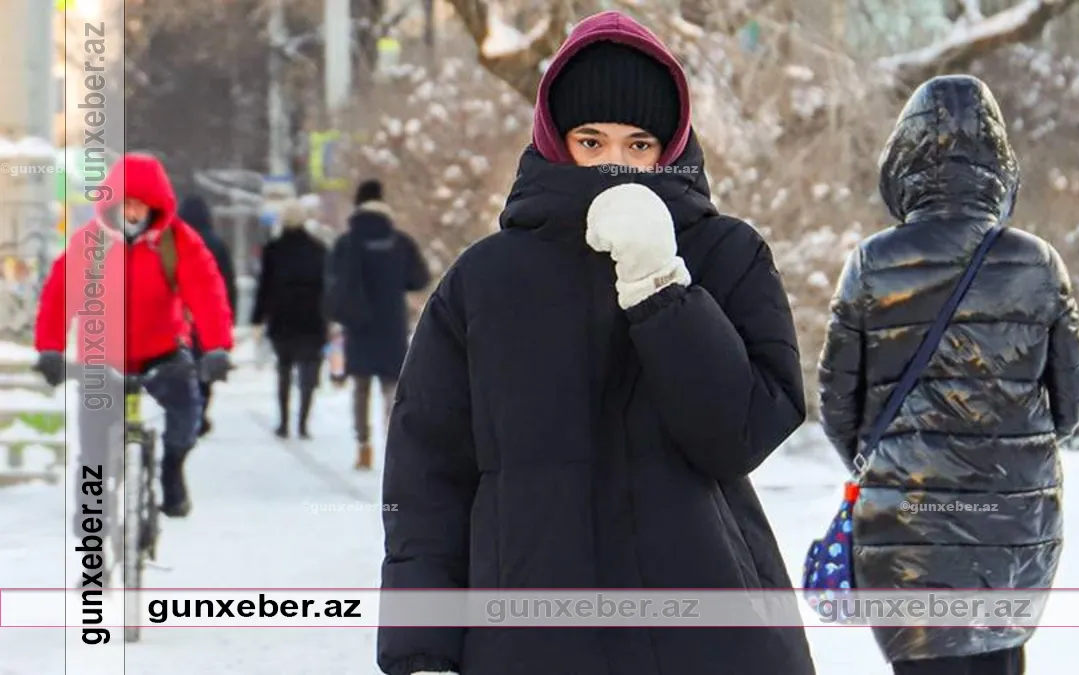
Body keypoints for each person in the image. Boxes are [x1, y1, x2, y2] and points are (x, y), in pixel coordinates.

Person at [378, 11, 815, 675]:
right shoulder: (486, 279)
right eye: (592, 140)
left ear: (670, 148)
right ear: (558, 142)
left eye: (639, 145)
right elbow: (427, 479)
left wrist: (663, 290)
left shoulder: (727, 256)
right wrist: (422, 647)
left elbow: (742, 432)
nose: (615, 166)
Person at [816, 75, 1079, 675]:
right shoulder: (1039, 263)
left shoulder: (872, 263)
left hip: (906, 522)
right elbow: (1068, 407)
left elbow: (838, 405)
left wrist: (891, 464)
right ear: (999, 165)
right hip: (1013, 523)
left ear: (904, 161)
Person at [33, 152, 234, 519]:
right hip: (104, 355)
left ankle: (172, 470)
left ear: (155, 207)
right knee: (94, 438)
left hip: (162, 351)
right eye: (125, 204)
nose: (132, 213)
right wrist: (50, 348)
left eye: (141, 205)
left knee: (187, 413)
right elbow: (60, 295)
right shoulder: (89, 244)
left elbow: (207, 291)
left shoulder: (177, 242)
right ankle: (94, 502)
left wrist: (217, 347)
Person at [326, 179, 429, 470]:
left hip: (358, 325)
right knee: (392, 389)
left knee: (360, 388)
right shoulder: (399, 241)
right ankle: (394, 448)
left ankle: (364, 446)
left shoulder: (346, 242)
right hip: (391, 325)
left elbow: (333, 283)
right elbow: (419, 278)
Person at [250, 199, 330, 439]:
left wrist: (258, 318)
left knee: (283, 369)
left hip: (281, 318)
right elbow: (327, 288)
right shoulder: (319, 249)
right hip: (312, 319)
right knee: (308, 371)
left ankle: (284, 422)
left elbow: (264, 287)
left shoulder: (273, 249)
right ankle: (303, 423)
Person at [178, 193, 239, 437]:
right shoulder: (216, 243)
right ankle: (200, 411)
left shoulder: (173, 242)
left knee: (183, 364)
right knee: (206, 366)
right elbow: (227, 282)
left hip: (181, 316)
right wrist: (228, 315)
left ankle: (188, 411)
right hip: (208, 316)